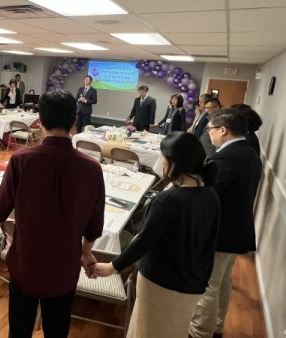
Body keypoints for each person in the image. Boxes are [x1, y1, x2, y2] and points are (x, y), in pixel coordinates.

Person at [0, 89, 105, 337]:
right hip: (65, 267)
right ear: (74, 122)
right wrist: (86, 253)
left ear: (40, 119)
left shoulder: (21, 160)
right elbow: (94, 224)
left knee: (19, 330)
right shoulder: (92, 168)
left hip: (25, 262)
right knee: (57, 330)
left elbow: (0, 208)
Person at [92, 133, 220, 338]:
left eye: (163, 157)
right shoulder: (211, 195)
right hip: (194, 282)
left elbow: (144, 240)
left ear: (173, 162)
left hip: (162, 282)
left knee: (147, 329)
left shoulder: (169, 199)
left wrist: (112, 267)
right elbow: (211, 241)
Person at [189, 109, 262, 338]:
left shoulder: (228, 157)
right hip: (235, 230)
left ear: (223, 130)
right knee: (222, 282)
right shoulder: (249, 152)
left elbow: (208, 194)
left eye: (210, 129)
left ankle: (200, 332)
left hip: (221, 232)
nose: (208, 134)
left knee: (208, 284)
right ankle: (217, 326)